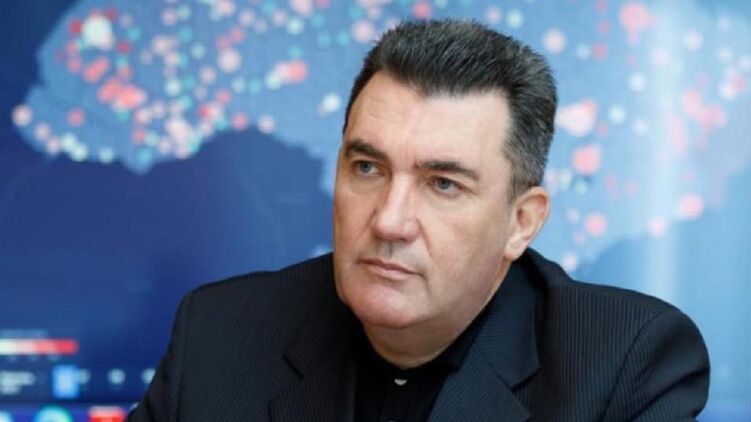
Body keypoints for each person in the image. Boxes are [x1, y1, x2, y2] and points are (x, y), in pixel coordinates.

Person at [128, 19, 709, 421]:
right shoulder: (220, 335)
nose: (390, 221)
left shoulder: (623, 364)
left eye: (443, 184)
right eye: (367, 168)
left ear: (521, 222)